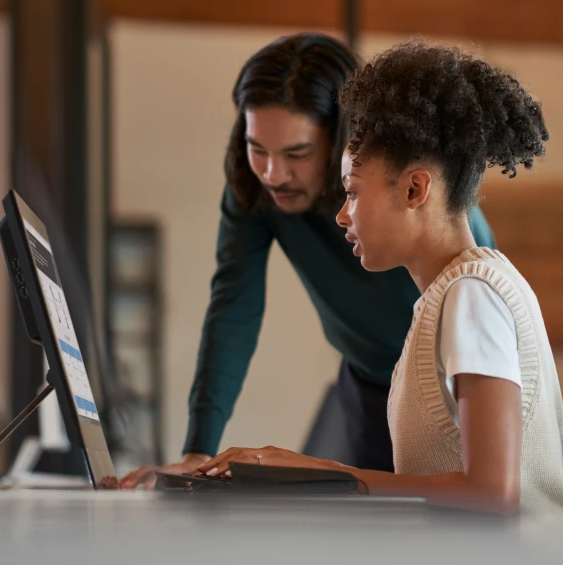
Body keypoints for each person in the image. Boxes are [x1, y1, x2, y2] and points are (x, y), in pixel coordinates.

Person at [201, 41, 563, 516]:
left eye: (352, 192)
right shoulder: (449, 297)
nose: (340, 215)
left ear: (415, 189)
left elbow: (492, 495)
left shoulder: (472, 297)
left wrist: (325, 472)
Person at [120, 33, 495, 489]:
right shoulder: (255, 189)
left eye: (297, 154)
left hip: (445, 387)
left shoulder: (431, 217)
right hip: (364, 380)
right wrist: (197, 451)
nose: (274, 174)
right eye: (257, 149)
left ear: (344, 140)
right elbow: (233, 307)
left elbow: (490, 488)